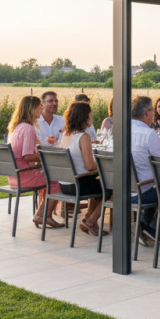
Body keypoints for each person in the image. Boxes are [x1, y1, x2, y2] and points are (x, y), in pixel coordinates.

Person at [6, 95, 63, 229]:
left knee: (50, 177)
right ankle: (43, 215)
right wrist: (46, 156)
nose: (42, 110)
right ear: (31, 110)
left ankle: (44, 214)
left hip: (14, 177)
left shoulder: (18, 126)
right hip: (24, 176)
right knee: (57, 179)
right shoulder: (28, 128)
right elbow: (27, 156)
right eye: (39, 107)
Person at [130, 96, 160, 246]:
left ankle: (143, 225)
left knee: (156, 187)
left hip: (120, 192)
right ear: (148, 112)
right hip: (141, 193)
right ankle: (151, 226)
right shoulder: (148, 134)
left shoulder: (119, 130)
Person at [58, 101, 104, 236]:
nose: (92, 117)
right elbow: (90, 166)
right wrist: (105, 168)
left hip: (65, 184)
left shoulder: (66, 134)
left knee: (99, 183)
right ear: (85, 116)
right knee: (113, 188)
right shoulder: (84, 137)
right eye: (90, 115)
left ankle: (89, 220)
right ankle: (91, 220)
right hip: (78, 185)